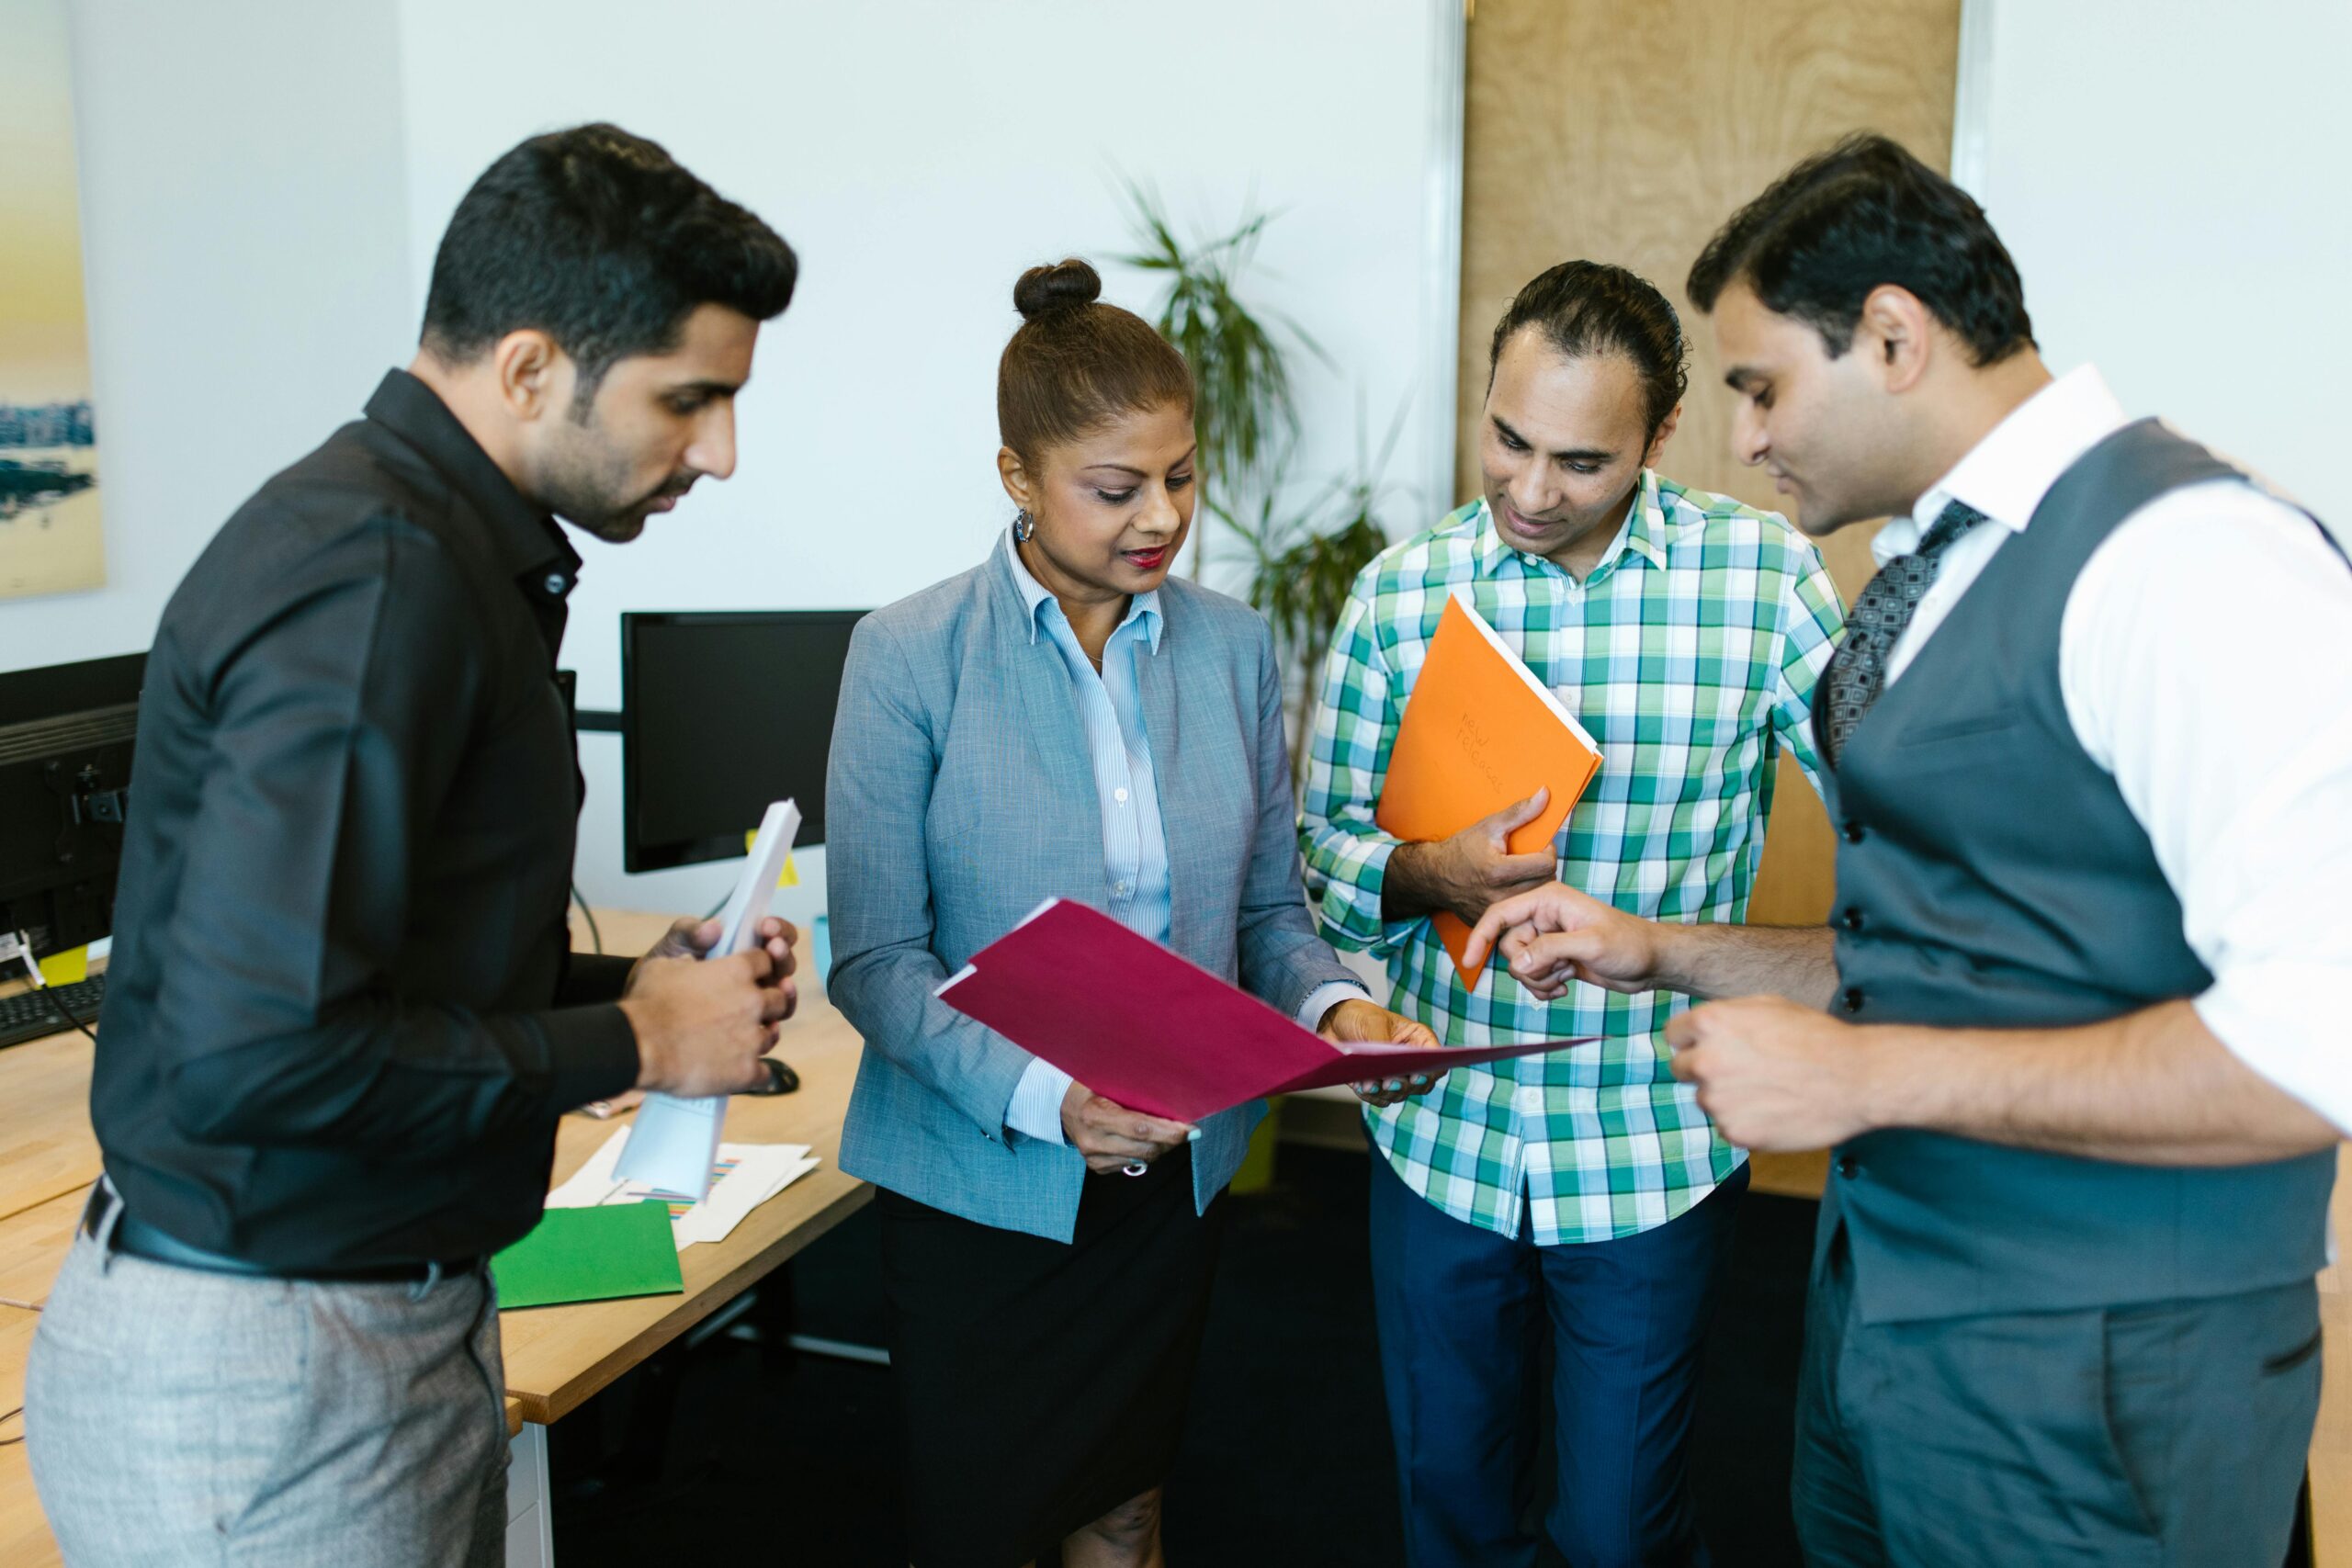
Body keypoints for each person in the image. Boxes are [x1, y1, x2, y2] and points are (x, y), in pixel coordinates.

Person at [1469, 133, 2352, 1566]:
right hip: (1891, 1335)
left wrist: (1865, 1075)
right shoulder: (1941, 571)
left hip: (2096, 1384)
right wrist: (1666, 953)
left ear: (1892, 336)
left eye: (1760, 387)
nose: (1742, 438)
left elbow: (2324, 1041)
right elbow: (1948, 957)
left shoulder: (2193, 564)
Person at [25, 123, 803, 1567]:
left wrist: (649, 991)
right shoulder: (373, 582)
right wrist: (637, 1046)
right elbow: (260, 1056)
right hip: (273, 1367)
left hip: (368, 1324)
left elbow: (391, 972)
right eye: (689, 401)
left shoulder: (449, 552)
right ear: (526, 369)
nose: (723, 453)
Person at [826, 257, 1439, 1568]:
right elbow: (875, 961)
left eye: (1180, 477)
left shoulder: (1226, 644)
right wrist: (1054, 1102)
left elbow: (1268, 910)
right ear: (1017, 479)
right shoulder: (907, 655)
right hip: (981, 1184)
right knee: (983, 1524)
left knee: (1129, 1502)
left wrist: (1341, 1006)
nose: (1159, 517)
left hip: (1170, 1181)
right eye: (1114, 489)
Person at [1298, 260, 1847, 1567]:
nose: (1532, 492)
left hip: (1654, 1137)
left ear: (1660, 439)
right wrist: (1430, 873)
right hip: (1443, 1133)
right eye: (1508, 440)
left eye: (1582, 462)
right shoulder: (1401, 594)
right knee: (1452, 1513)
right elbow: (1323, 857)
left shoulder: (1764, 582)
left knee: (1620, 1535)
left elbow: (1905, 820)